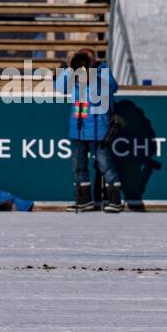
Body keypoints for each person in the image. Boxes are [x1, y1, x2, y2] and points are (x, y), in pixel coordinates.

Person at [55, 48, 122, 213]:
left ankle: (114, 200)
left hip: (99, 128)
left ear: (94, 60)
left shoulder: (103, 71)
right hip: (78, 128)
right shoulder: (74, 73)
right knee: (78, 166)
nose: (83, 63)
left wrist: (91, 74)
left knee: (105, 164)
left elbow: (112, 87)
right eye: (81, 59)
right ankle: (84, 201)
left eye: (87, 59)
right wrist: (70, 68)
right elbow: (60, 87)